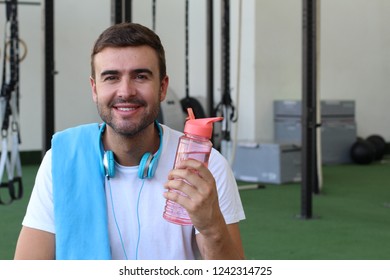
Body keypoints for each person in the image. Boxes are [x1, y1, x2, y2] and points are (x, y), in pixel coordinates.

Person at [14, 22, 245, 260]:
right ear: (94, 89)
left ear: (162, 87)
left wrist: (211, 227)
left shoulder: (204, 166)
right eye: (111, 77)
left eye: (141, 76)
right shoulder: (61, 161)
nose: (126, 91)